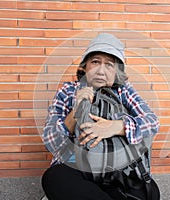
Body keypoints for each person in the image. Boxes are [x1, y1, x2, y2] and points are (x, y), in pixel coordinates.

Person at [41, 33, 160, 200]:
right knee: (54, 178)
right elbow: (50, 141)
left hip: (118, 170)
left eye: (109, 65)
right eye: (95, 62)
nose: (101, 71)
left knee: (150, 192)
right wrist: (76, 111)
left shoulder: (123, 90)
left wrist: (116, 126)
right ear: (85, 67)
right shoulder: (68, 91)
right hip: (79, 169)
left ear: (117, 72)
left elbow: (152, 122)